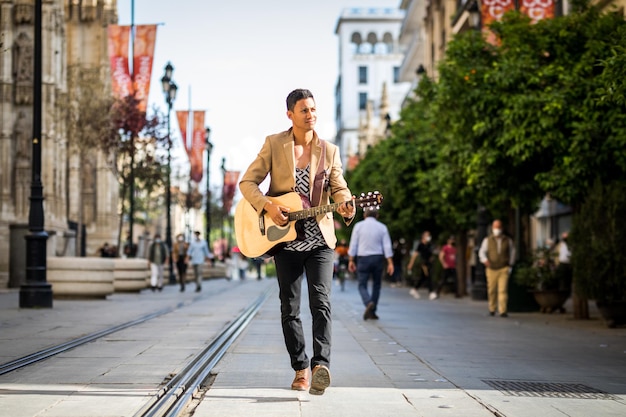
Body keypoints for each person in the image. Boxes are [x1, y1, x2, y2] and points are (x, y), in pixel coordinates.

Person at [239, 88, 355, 396]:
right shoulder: (275, 144)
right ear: (290, 114)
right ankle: (301, 368)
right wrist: (268, 206)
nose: (311, 115)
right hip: (286, 242)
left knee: (322, 303)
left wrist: (346, 203)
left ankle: (320, 367)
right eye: (304, 110)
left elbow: (339, 186)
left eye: (314, 109)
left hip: (319, 241)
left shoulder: (329, 150)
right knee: (289, 307)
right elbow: (247, 182)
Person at [347, 208, 394, 320]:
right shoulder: (382, 227)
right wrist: (390, 263)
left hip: (363, 258)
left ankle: (368, 302)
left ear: (364, 215)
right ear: (377, 215)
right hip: (378, 258)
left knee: (362, 284)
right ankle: (372, 311)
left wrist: (351, 260)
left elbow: (353, 244)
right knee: (376, 285)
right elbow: (387, 246)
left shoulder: (358, 226)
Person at [478, 219, 515, 317]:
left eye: (498, 227)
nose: (497, 229)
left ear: (502, 228)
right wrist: (484, 260)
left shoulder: (508, 240)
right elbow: (482, 251)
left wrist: (510, 264)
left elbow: (512, 252)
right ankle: (492, 308)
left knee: (502, 290)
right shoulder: (487, 240)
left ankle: (503, 310)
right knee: (492, 290)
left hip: (503, 268)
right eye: (495, 227)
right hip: (491, 268)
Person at [406, 231, 437, 300]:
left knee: (423, 278)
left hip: (429, 263)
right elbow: (415, 254)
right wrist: (411, 263)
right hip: (423, 263)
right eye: (427, 235)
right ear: (423, 237)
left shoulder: (429, 245)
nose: (428, 237)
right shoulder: (420, 245)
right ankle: (431, 292)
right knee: (428, 276)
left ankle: (414, 289)